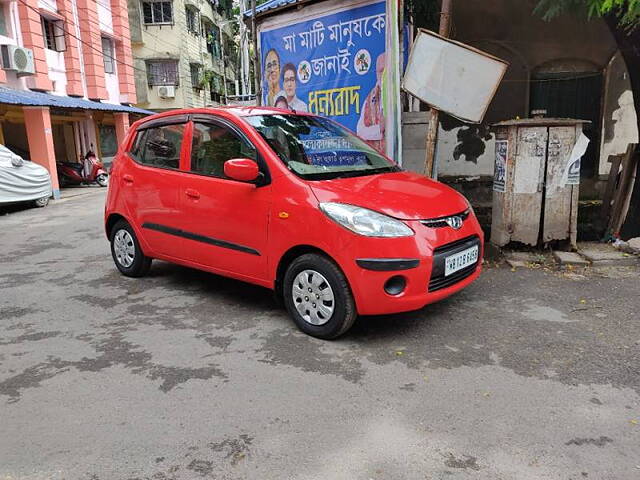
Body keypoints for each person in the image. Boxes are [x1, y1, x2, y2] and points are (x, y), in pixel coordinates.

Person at [357, 53, 386, 152]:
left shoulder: (400, 96)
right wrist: (379, 129)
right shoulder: (370, 100)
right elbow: (360, 132)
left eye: (386, 70)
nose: (383, 75)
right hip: (380, 160)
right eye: (381, 71)